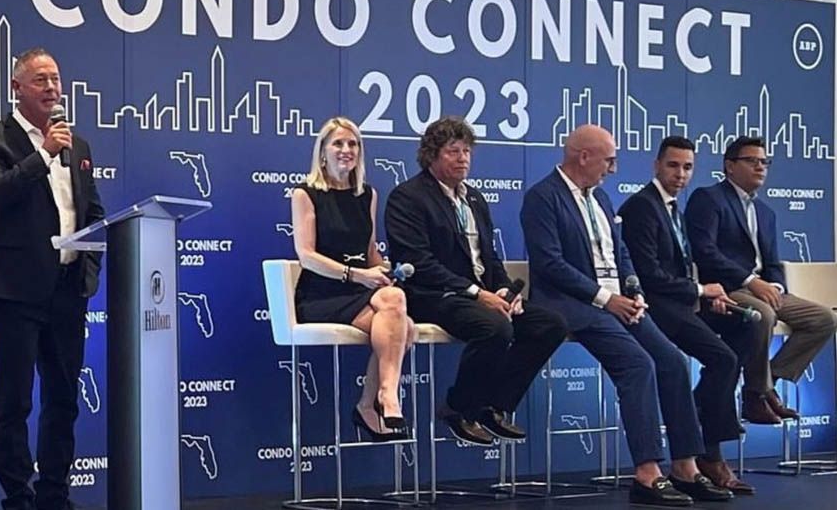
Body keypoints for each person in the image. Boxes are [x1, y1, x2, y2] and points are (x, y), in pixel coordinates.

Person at [521, 125, 732, 506]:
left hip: (617, 300)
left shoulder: (600, 197)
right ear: (584, 156)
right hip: (572, 303)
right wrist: (606, 298)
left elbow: (621, 254)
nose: (614, 169)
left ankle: (685, 467)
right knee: (638, 365)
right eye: (609, 160)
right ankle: (647, 474)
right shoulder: (543, 197)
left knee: (671, 361)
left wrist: (633, 289)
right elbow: (550, 264)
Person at [0, 48, 105, 510]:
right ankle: (18, 499)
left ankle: (54, 495)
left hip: (68, 291)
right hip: (13, 290)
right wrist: (43, 154)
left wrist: (88, 271)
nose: (52, 89)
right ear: (17, 88)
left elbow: (92, 211)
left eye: (56, 79)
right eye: (41, 80)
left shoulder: (79, 145)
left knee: (63, 400)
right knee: (15, 403)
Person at [385, 116, 567, 447]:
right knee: (495, 327)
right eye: (454, 151)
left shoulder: (475, 198)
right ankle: (458, 408)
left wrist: (501, 289)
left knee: (550, 325)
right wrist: (477, 294)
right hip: (432, 294)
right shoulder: (408, 197)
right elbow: (418, 263)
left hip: (478, 295)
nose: (463, 159)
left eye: (467, 151)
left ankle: (492, 405)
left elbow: (489, 257)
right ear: (432, 155)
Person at [617, 135, 756, 494]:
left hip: (682, 303)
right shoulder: (641, 207)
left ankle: (708, 431)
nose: (680, 174)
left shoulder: (673, 208)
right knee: (722, 358)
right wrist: (698, 292)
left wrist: (709, 296)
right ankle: (706, 450)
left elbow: (681, 269)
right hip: (656, 307)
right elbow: (649, 275)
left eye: (688, 167)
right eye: (673, 165)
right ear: (656, 166)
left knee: (744, 329)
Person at [685, 135, 837, 423]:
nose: (760, 168)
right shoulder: (709, 198)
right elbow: (704, 252)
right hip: (726, 289)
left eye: (764, 162)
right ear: (729, 166)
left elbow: (772, 263)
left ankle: (767, 384)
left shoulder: (765, 212)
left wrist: (776, 286)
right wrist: (750, 281)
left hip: (763, 288)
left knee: (825, 319)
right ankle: (755, 395)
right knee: (762, 315)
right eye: (752, 161)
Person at [292, 117, 415, 440]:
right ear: (323, 152)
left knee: (398, 309)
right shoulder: (305, 194)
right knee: (402, 324)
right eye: (338, 143)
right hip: (323, 292)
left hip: (362, 289)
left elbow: (369, 248)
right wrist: (356, 275)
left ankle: (374, 400)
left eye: (353, 144)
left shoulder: (367, 194)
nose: (347, 150)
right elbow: (306, 255)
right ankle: (383, 399)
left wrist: (384, 269)